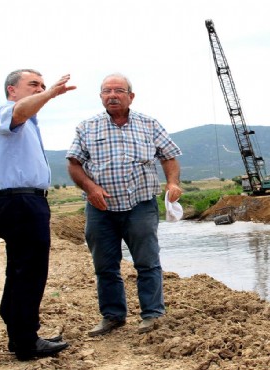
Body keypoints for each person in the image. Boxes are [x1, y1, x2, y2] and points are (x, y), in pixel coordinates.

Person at [66, 73, 183, 337]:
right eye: (106, 91)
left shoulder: (149, 124)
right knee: (105, 265)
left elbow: (169, 157)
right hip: (101, 209)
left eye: (118, 90)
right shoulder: (87, 127)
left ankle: (152, 315)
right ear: (100, 97)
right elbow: (74, 164)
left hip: (140, 205)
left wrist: (172, 183)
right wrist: (91, 188)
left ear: (131, 96)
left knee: (147, 262)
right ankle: (113, 316)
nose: (112, 95)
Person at [0, 69, 75, 361]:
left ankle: (20, 336)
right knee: (30, 274)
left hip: (24, 202)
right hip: (20, 203)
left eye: (43, 85)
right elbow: (19, 112)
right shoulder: (7, 112)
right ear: (12, 90)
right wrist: (50, 94)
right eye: (33, 84)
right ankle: (26, 342)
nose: (40, 89)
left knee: (20, 272)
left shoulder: (27, 122)